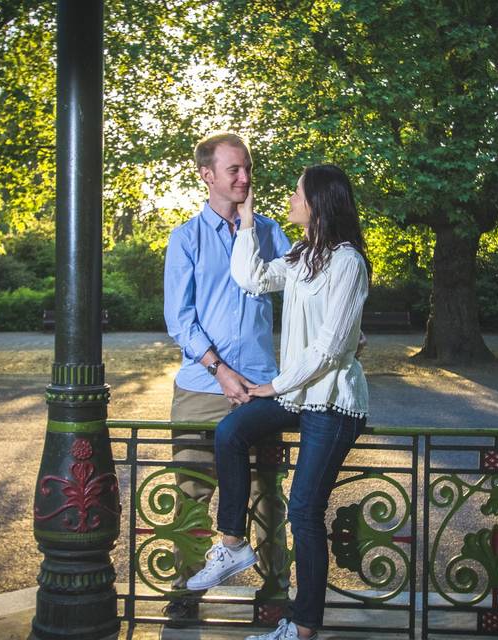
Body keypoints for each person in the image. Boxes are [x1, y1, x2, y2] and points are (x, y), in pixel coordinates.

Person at [185, 164, 370, 640]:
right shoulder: (304, 256)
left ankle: (303, 626)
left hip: (331, 402)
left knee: (304, 511)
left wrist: (274, 385)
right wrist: (246, 219)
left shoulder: (348, 261)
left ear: (318, 203)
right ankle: (232, 542)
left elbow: (330, 349)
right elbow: (250, 278)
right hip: (299, 395)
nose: (289, 199)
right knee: (232, 430)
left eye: (297, 192)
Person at [162, 131, 292, 625]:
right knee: (192, 495)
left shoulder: (269, 232)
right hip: (201, 388)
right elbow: (181, 319)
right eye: (233, 170)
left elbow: (303, 285)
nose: (244, 177)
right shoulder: (185, 238)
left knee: (267, 495)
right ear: (207, 175)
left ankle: (275, 592)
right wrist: (220, 370)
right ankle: (184, 593)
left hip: (261, 388)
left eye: (247, 168)